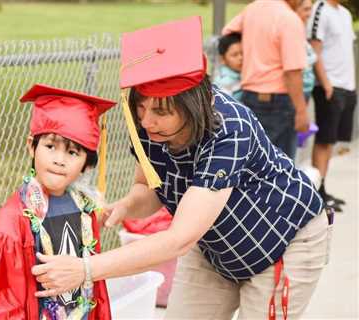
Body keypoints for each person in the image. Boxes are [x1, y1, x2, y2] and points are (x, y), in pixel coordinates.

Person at [31, 17, 329, 319]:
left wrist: (85, 270)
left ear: (193, 104)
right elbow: (149, 187)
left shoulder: (230, 129)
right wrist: (125, 206)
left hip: (281, 241)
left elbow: (180, 238)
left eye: (161, 111)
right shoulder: (149, 124)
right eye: (141, 108)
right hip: (214, 246)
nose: (147, 122)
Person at [0, 84, 114, 320]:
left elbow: (94, 287)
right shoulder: (13, 221)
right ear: (31, 146)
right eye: (50, 146)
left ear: (87, 164)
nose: (59, 160)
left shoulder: (85, 211)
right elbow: (0, 305)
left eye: (72, 152)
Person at [223, 0, 310, 161]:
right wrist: (302, 111)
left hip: (250, 97)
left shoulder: (252, 9)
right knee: (280, 168)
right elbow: (292, 72)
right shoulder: (289, 19)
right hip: (279, 102)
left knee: (253, 163)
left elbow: (227, 32)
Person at [307, 0, 357, 212]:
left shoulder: (344, 13)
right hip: (330, 87)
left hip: (346, 86)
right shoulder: (320, 9)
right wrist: (326, 84)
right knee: (324, 140)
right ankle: (316, 193)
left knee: (332, 141)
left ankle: (323, 190)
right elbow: (314, 50)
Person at [295, 0, 317, 102]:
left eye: (310, 10)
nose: (309, 14)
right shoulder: (291, 32)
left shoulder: (302, 30)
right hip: (297, 92)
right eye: (306, 9)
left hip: (306, 90)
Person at [214, 32, 243, 100]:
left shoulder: (240, 75)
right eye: (234, 55)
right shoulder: (223, 82)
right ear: (222, 59)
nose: (241, 58)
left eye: (242, 53)